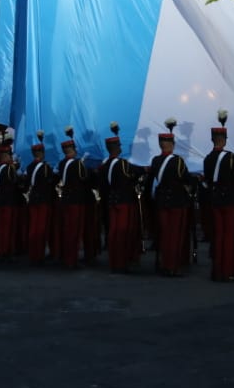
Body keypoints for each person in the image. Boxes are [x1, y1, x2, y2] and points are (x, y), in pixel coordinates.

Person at [203, 110, 234, 282]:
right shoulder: (230, 157)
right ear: (224, 140)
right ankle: (228, 271)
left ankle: (217, 270)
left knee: (217, 235)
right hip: (228, 200)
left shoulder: (207, 159)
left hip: (214, 200)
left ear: (213, 140)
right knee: (229, 236)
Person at [147, 118, 192, 278]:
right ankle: (172, 266)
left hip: (161, 202)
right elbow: (185, 178)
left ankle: (164, 263)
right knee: (175, 235)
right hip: (176, 202)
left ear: (161, 144)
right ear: (172, 144)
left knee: (165, 234)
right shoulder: (178, 161)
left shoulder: (155, 160)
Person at [101, 122, 143, 274]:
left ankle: (114, 261)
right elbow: (136, 173)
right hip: (125, 202)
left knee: (113, 232)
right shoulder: (123, 165)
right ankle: (122, 261)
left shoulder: (104, 166)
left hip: (111, 201)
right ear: (118, 148)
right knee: (123, 232)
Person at [56, 127, 92, 268]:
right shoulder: (78, 164)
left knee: (66, 229)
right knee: (75, 231)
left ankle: (66, 257)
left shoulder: (61, 163)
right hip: (77, 200)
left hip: (65, 199)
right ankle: (72, 259)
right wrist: (83, 165)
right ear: (72, 148)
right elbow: (84, 178)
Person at [24, 132, 56, 265]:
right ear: (42, 153)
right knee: (41, 228)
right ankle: (39, 254)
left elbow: (26, 185)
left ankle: (33, 254)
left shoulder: (29, 167)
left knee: (33, 228)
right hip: (44, 200)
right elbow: (51, 183)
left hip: (33, 199)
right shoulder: (46, 168)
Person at [0, 140, 22, 259]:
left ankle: (1, 249)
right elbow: (14, 182)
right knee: (8, 227)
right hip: (9, 201)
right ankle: (6, 250)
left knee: (0, 227)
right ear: (6, 155)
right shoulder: (9, 169)